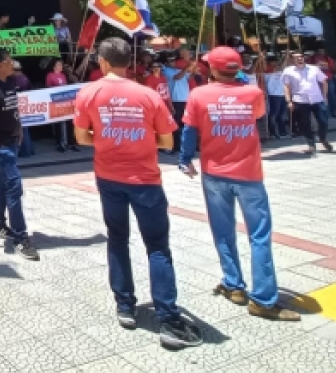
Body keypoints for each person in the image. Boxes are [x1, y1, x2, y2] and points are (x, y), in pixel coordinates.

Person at [73, 38, 200, 348]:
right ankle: (168, 317)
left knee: (117, 238)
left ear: (102, 62)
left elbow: (81, 137)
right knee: (157, 246)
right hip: (145, 180)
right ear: (128, 63)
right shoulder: (146, 94)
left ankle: (125, 305)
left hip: (108, 177)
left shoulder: (88, 93)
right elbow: (168, 142)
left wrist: (105, 137)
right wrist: (143, 140)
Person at [179, 47, 299, 322]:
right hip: (248, 174)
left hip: (214, 172)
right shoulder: (252, 93)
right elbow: (257, 115)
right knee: (259, 235)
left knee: (223, 231)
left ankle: (233, 284)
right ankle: (263, 299)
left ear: (212, 69)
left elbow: (189, 130)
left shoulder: (198, 94)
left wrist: (185, 159)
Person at [0, 48, 38, 261]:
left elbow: (14, 107)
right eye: (9, 61)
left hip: (12, 141)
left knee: (3, 183)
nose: (13, 64)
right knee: (14, 185)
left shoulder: (10, 81)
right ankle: (21, 237)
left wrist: (19, 129)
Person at [282, 52, 331, 156]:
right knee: (305, 123)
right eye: (296, 58)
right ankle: (311, 145)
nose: (299, 59)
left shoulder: (314, 69)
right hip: (300, 100)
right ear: (292, 60)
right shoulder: (288, 71)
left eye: (301, 57)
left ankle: (323, 138)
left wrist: (325, 96)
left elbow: (324, 81)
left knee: (323, 121)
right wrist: (289, 101)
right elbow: (286, 86)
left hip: (317, 99)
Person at [162, 49, 194, 153]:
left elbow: (189, 77)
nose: (173, 62)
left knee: (184, 124)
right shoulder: (166, 70)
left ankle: (181, 145)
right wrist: (186, 67)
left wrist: (192, 69)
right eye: (170, 61)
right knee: (175, 124)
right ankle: (173, 146)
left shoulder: (178, 69)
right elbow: (177, 78)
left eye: (173, 60)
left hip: (185, 99)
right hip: (175, 100)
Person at [43, 58, 77, 153]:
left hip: (65, 103)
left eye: (61, 65)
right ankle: (60, 143)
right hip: (56, 104)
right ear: (54, 66)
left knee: (69, 123)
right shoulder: (50, 75)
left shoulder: (63, 75)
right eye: (58, 65)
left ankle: (70, 143)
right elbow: (48, 88)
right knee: (59, 124)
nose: (60, 66)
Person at [12, 61, 35, 158]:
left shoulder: (16, 79)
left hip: (20, 106)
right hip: (27, 106)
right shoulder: (25, 78)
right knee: (25, 129)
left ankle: (26, 151)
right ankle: (30, 150)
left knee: (22, 130)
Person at [263, 55, 289, 139]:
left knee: (281, 115)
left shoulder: (280, 69)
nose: (275, 63)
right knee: (274, 114)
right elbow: (281, 67)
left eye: (276, 61)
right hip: (273, 95)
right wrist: (286, 57)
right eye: (273, 61)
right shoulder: (267, 69)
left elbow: (283, 68)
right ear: (269, 62)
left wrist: (286, 57)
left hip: (282, 94)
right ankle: (273, 132)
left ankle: (282, 131)